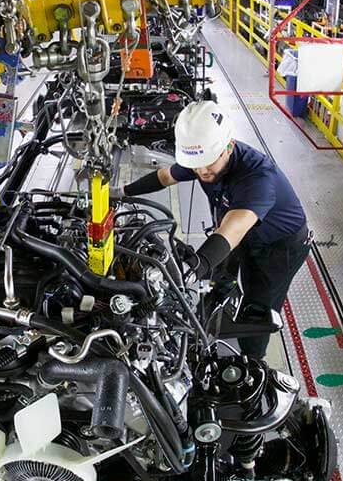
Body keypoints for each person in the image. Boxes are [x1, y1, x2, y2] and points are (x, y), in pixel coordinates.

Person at [115, 101, 310, 358]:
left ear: (228, 147)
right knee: (220, 276)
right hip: (234, 232)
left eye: (207, 164)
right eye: (195, 165)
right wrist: (120, 193)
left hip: (278, 246)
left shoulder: (258, 179)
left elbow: (233, 231)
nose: (201, 171)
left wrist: (191, 270)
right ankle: (212, 315)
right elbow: (164, 177)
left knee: (257, 305)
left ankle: (251, 362)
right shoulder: (202, 156)